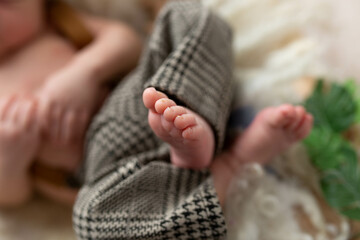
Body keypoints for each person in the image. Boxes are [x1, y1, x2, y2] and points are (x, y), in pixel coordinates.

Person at [72, 1, 313, 239]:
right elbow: (49, 191)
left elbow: (125, 42)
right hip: (107, 166)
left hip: (140, 103)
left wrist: (80, 73)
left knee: (188, 15)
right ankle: (232, 164)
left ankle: (192, 110)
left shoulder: (57, 24)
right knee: (90, 222)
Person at [0, 0, 142, 206]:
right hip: (102, 186)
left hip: (138, 111)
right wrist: (8, 159)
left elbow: (127, 41)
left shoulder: (59, 24)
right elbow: (10, 197)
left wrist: (85, 72)